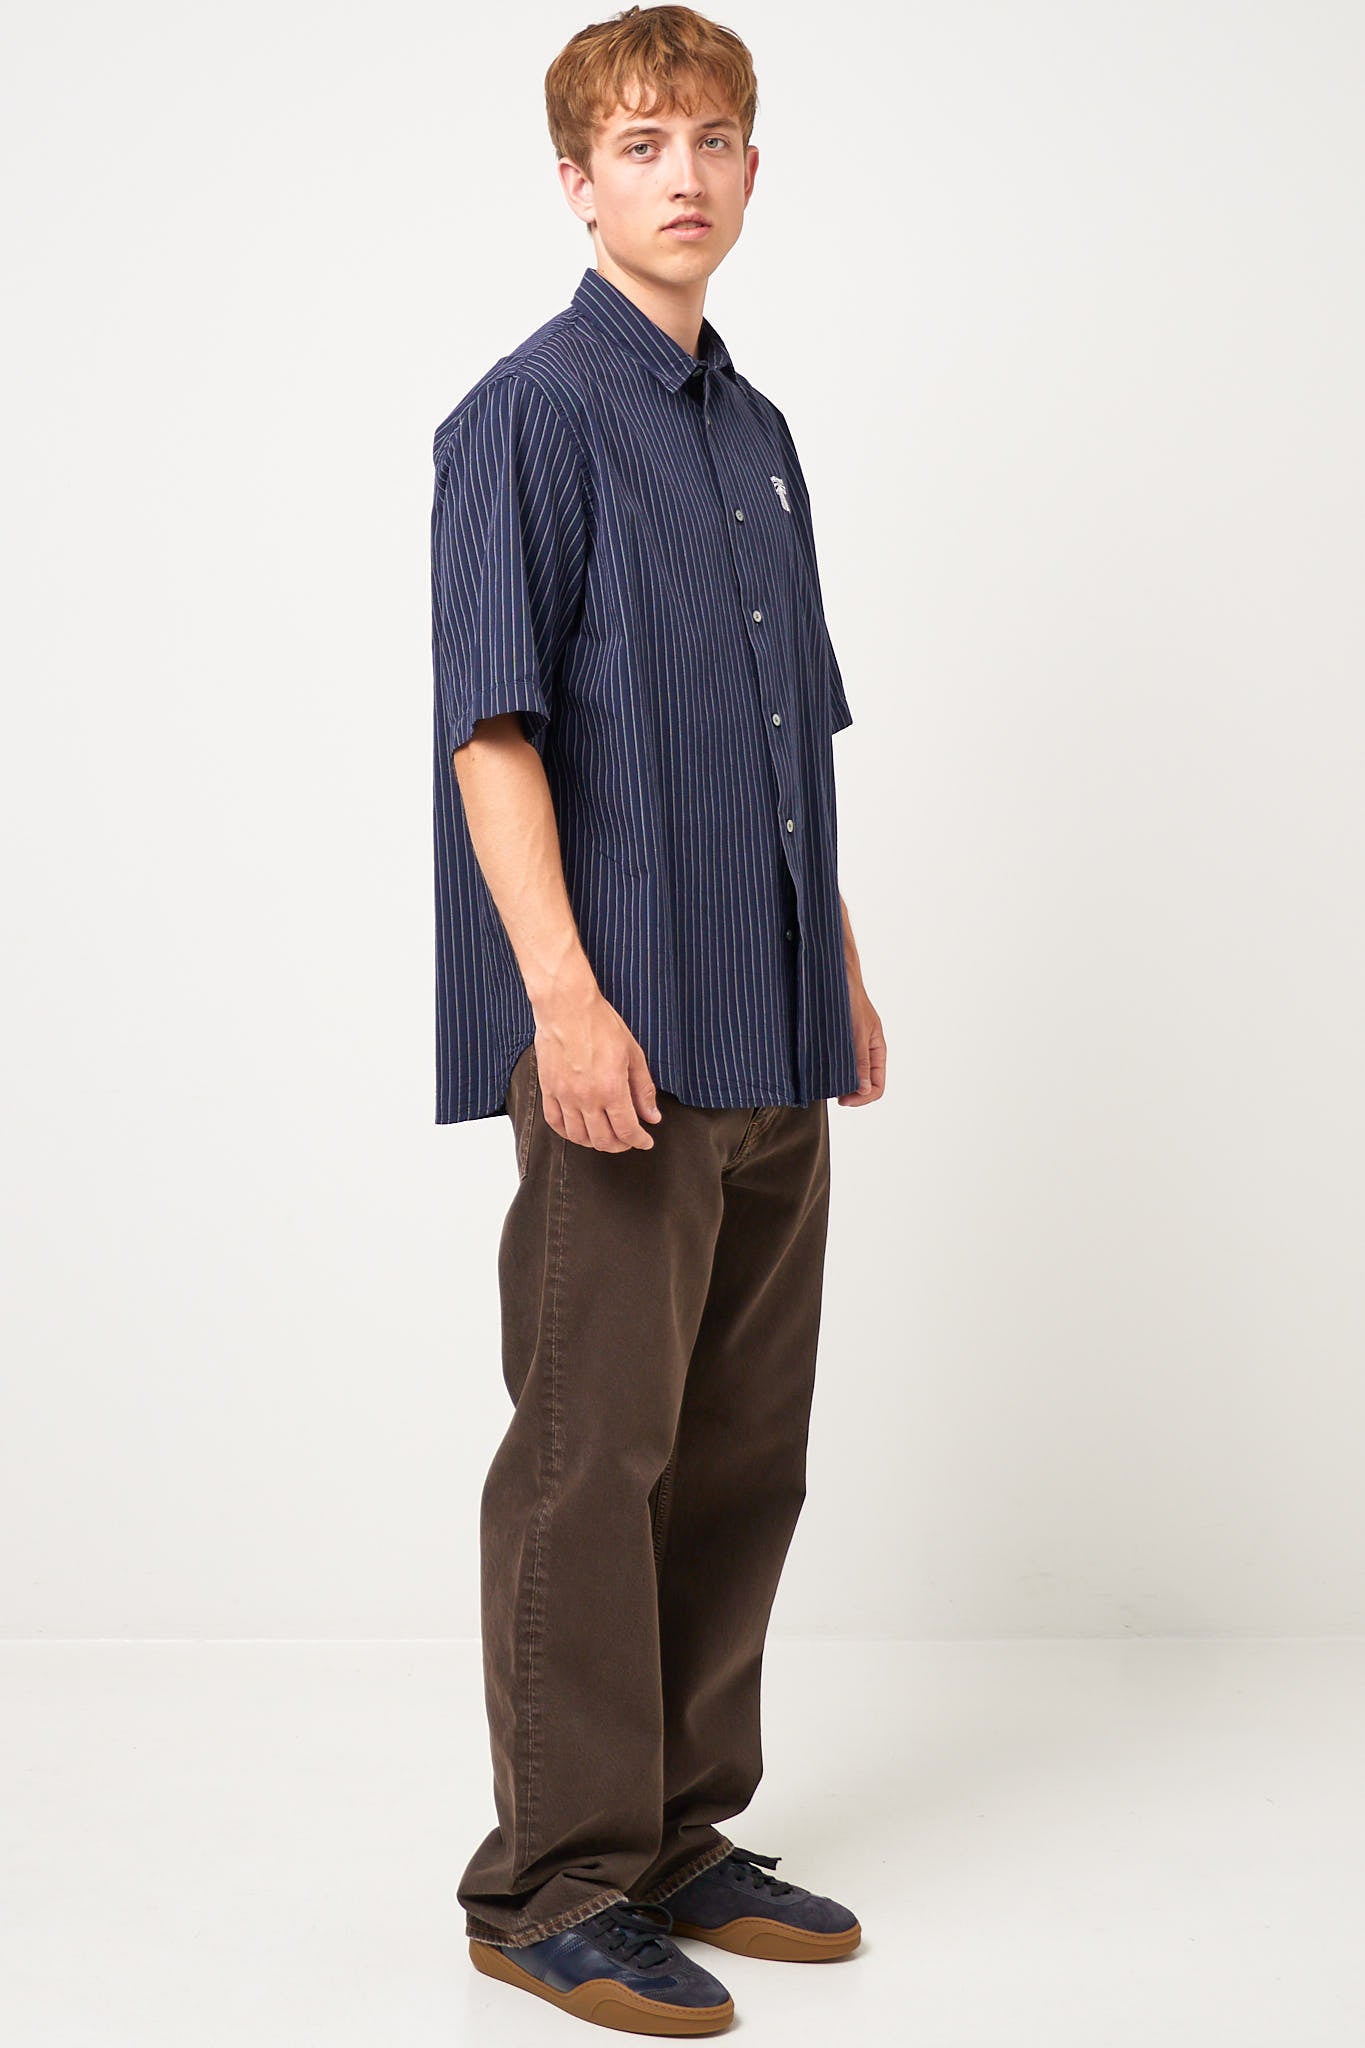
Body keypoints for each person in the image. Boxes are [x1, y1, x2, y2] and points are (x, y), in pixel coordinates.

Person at [429, 5, 886, 2032]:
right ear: (576, 183)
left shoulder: (756, 433)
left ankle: (679, 1827)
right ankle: (550, 1879)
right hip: (619, 1025)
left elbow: (788, 740)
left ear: (751, 173)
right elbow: (488, 729)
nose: (680, 175)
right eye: (637, 144)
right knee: (590, 1453)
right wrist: (560, 999)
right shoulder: (526, 417)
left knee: (736, 1452)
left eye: (709, 139)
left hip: (767, 1019)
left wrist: (836, 964)